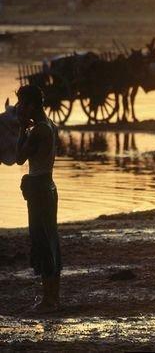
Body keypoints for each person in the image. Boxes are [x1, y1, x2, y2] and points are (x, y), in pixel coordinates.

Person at [15, 85, 61, 312]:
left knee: (41, 239)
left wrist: (22, 129)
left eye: (23, 103)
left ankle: (48, 300)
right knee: (50, 238)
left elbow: (18, 158)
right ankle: (52, 297)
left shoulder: (38, 130)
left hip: (40, 187)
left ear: (32, 105)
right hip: (49, 185)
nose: (20, 108)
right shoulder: (51, 125)